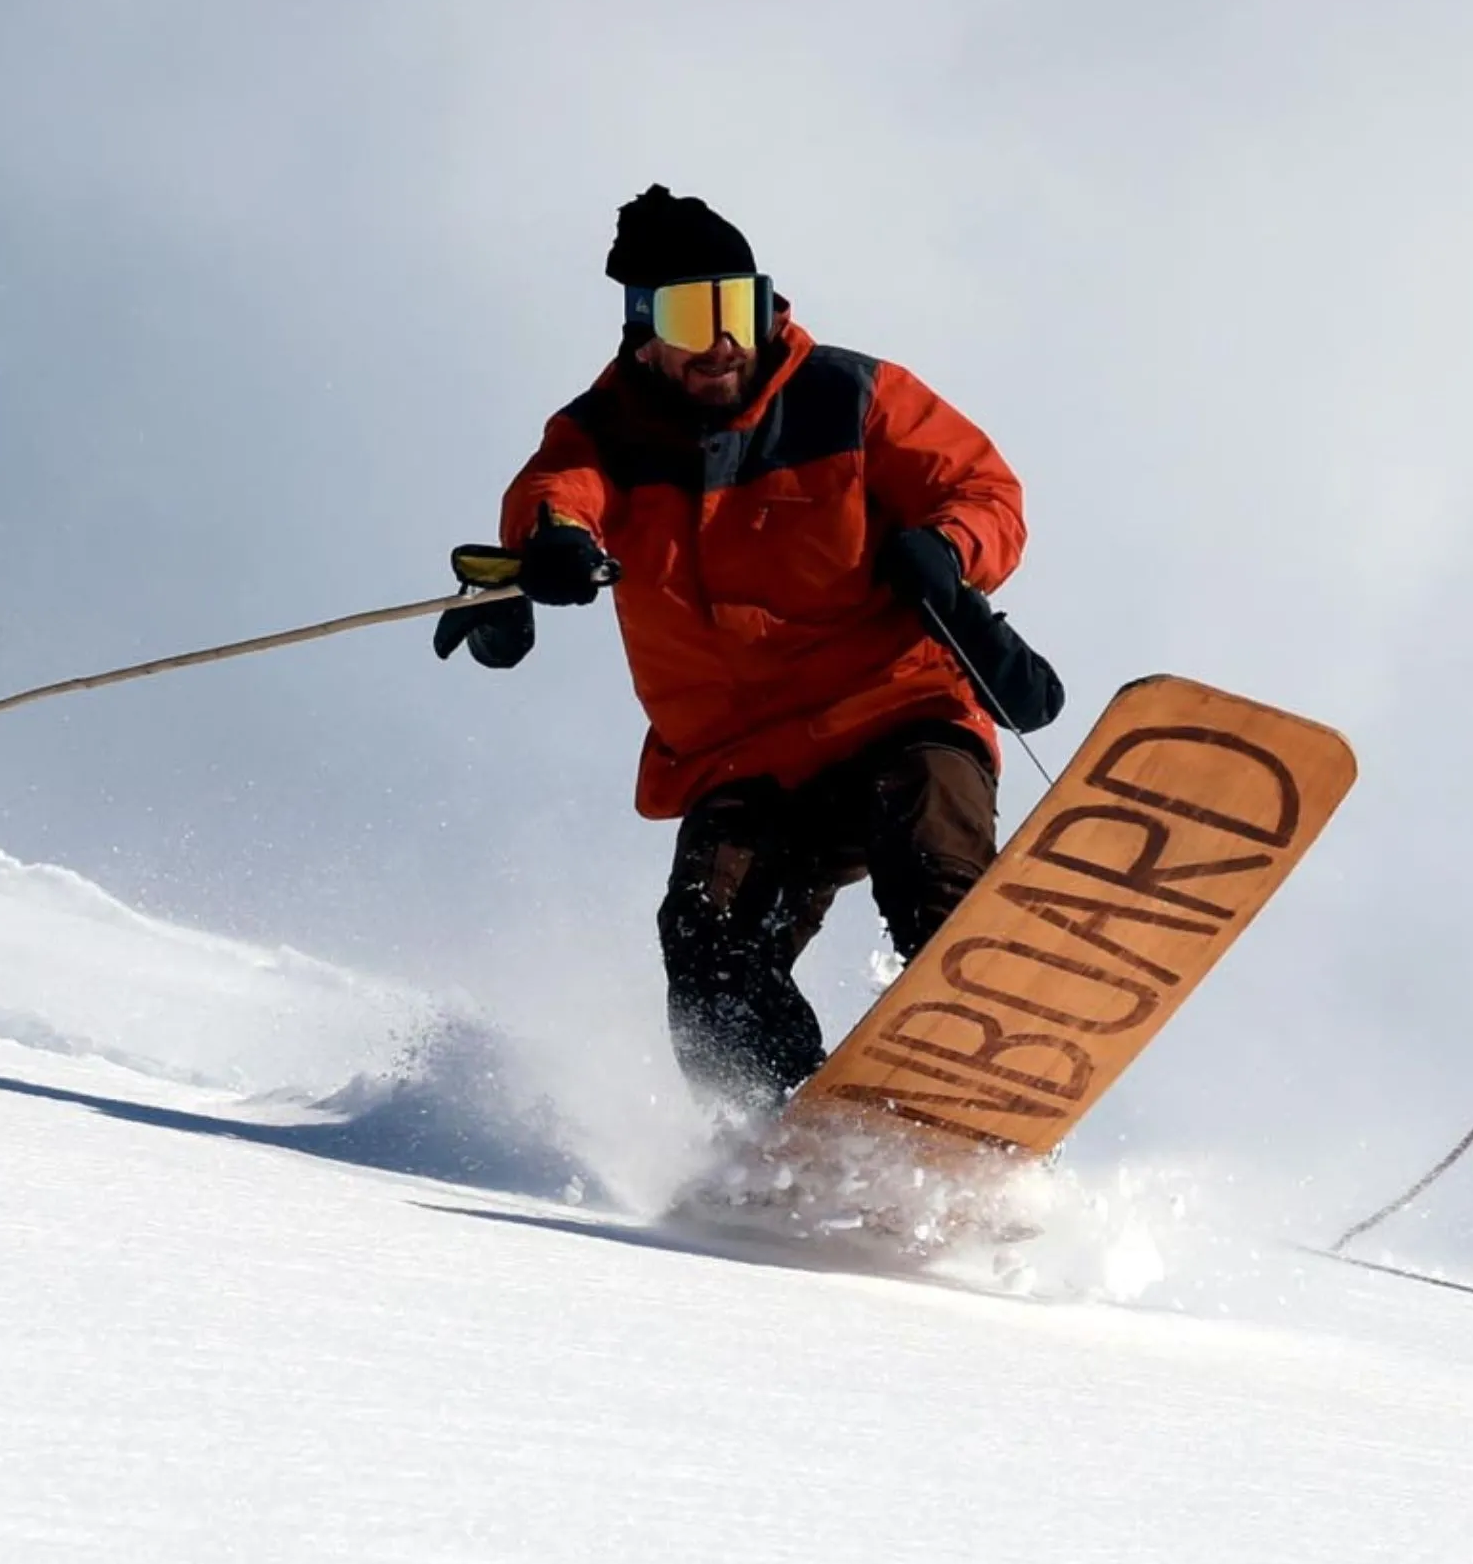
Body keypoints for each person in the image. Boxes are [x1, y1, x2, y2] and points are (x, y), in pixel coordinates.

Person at [439, 184, 1057, 1109]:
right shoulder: (606, 433)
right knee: (706, 936)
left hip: (898, 707)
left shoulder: (849, 396)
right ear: (643, 330)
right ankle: (781, 1128)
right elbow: (557, 491)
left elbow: (981, 489)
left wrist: (948, 548)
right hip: (743, 756)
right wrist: (553, 540)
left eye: (741, 305)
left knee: (933, 859)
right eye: (694, 317)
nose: (725, 340)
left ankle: (982, 1065)